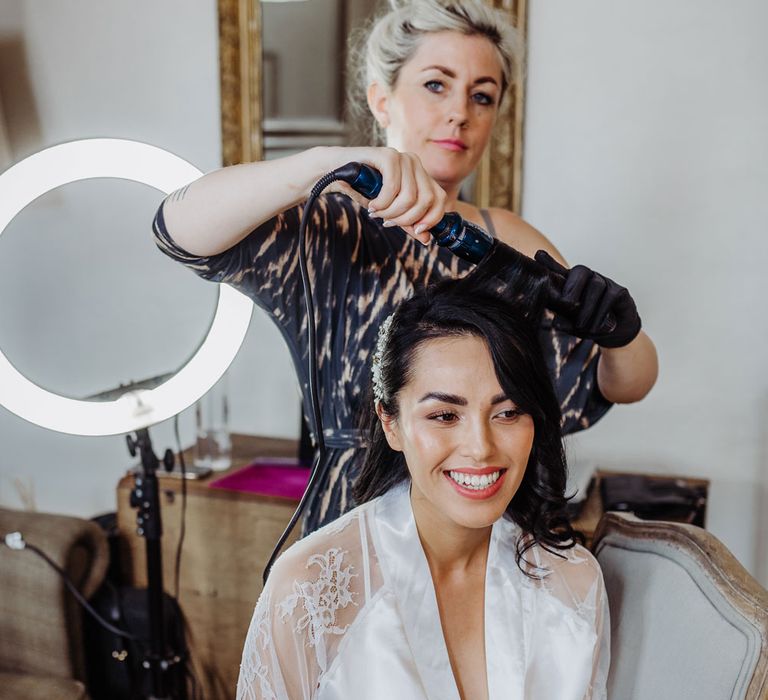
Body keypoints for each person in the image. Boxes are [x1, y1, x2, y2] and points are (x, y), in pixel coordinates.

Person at [153, 0, 658, 534]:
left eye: (482, 96)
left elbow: (617, 386)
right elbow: (177, 229)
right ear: (382, 98)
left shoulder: (511, 240)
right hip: (354, 527)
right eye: (436, 85)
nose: (460, 112)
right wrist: (325, 164)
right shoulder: (332, 225)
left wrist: (621, 335)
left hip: (487, 522)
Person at [236, 278, 609, 700]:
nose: (481, 449)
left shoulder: (574, 582)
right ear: (391, 422)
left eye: (508, 412)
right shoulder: (307, 590)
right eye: (445, 416)